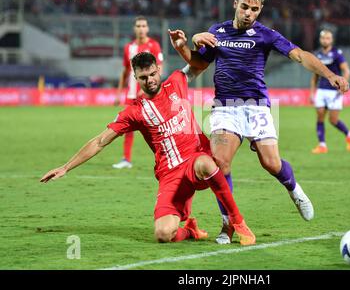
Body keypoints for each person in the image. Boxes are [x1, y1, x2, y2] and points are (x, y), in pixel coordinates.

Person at [168, 0, 349, 245]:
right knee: (220, 163)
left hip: (257, 105)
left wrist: (330, 74)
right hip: (225, 106)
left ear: (260, 9)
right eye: (244, 7)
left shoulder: (266, 34)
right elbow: (199, 63)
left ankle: (294, 189)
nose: (248, 13)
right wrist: (184, 45)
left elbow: (299, 55)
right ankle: (228, 224)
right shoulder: (217, 31)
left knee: (271, 163)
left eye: (254, 9)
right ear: (235, 4)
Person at [40, 49, 256, 246]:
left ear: (158, 70)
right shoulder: (134, 112)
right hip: (170, 174)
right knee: (163, 234)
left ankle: (237, 222)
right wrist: (66, 167)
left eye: (152, 74)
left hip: (196, 160)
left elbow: (200, 64)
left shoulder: (176, 81)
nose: (149, 80)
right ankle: (190, 231)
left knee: (207, 163)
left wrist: (184, 45)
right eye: (143, 77)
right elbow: (99, 141)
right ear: (135, 78)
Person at [112, 16, 164, 169]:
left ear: (147, 28)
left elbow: (159, 68)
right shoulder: (129, 47)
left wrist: (147, 87)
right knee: (127, 126)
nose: (141, 29)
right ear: (135, 29)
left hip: (149, 95)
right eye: (138, 26)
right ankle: (126, 159)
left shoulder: (154, 45)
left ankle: (164, 157)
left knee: (156, 126)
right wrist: (118, 93)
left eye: (143, 26)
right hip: (131, 95)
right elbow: (125, 71)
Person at [309, 30, 350, 154]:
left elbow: (346, 71)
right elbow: (315, 76)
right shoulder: (317, 55)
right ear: (320, 39)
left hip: (334, 91)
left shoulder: (337, 54)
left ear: (332, 40)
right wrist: (312, 92)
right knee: (320, 117)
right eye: (323, 38)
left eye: (328, 38)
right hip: (321, 90)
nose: (325, 40)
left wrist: (343, 85)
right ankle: (322, 145)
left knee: (333, 120)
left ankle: (349, 134)